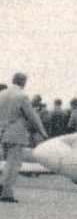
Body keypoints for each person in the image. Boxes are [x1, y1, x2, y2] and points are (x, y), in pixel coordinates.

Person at [0, 73, 49, 203]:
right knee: (13, 162)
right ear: (23, 82)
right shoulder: (21, 96)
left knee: (5, 161)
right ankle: (6, 192)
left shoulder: (2, 94)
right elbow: (33, 116)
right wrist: (42, 132)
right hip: (16, 133)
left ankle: (3, 185)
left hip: (2, 131)